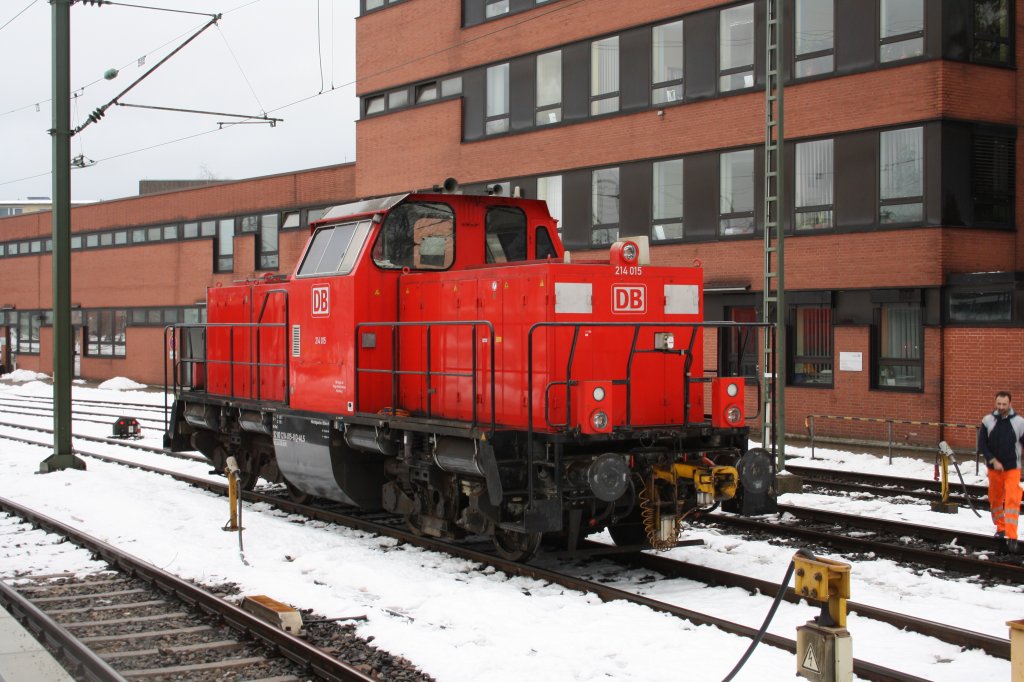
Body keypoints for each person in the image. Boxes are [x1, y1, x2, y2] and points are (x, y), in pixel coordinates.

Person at [978, 391, 1024, 553]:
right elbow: (982, 444)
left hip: (1012, 469)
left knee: (1012, 500)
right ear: (995, 403)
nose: (1001, 407)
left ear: (1010, 404)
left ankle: (1012, 536)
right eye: (999, 404)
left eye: (1004, 404)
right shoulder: (987, 421)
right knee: (995, 500)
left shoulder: (1019, 423)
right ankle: (1001, 528)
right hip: (994, 469)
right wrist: (993, 460)